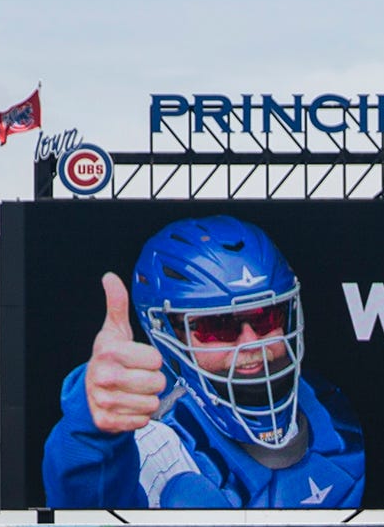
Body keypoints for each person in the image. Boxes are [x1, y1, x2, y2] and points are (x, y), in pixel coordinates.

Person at [43, 214, 365, 509]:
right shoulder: (155, 444)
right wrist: (92, 432)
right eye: (218, 327)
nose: (251, 342)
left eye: (267, 317)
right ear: (172, 336)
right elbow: (90, 525)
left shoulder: (333, 411)